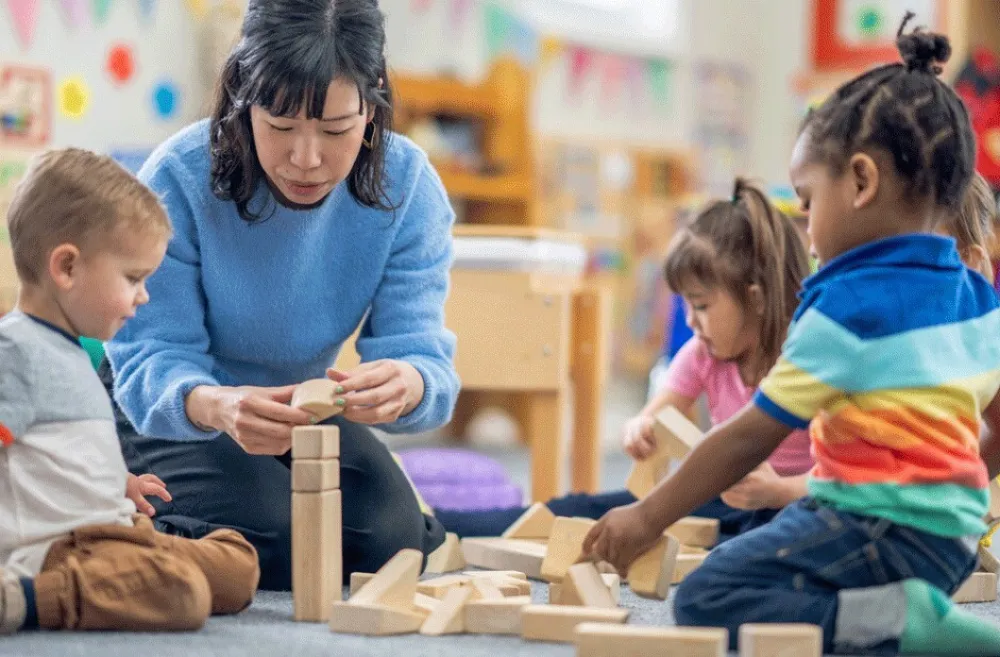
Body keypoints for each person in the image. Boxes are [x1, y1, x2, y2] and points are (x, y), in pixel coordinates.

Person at [584, 17, 1000, 656]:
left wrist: (647, 517)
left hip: (868, 524)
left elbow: (750, 435)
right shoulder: (978, 298)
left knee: (708, 596)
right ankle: (899, 613)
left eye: (807, 202)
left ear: (860, 182)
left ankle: (903, 623)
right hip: (952, 541)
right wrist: (954, 491)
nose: (805, 229)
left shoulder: (844, 304)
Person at [101, 0, 455, 590]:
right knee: (277, 535)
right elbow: (150, 356)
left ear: (373, 106)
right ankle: (109, 514)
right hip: (174, 406)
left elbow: (422, 354)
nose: (307, 158)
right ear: (243, 97)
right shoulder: (179, 177)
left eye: (337, 129)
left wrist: (410, 382)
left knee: (391, 545)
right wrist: (215, 405)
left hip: (297, 408)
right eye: (281, 126)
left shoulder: (409, 186)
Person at [434, 178, 813, 540]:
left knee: (753, 543)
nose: (689, 321)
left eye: (701, 305)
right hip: (724, 502)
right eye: (686, 304)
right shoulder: (703, 352)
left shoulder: (809, 359)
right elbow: (657, 414)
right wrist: (640, 427)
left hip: (794, 507)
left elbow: (850, 478)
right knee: (588, 509)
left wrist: (778, 491)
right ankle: (446, 524)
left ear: (756, 298)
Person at [0, 149, 259, 633]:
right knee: (180, 592)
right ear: (67, 268)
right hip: (57, 548)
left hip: (112, 531)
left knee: (237, 566)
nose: (143, 296)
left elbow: (60, 452)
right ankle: (22, 599)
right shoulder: (15, 351)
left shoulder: (76, 353)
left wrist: (121, 483)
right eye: (133, 278)